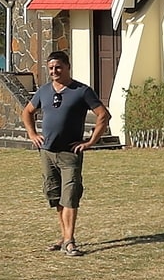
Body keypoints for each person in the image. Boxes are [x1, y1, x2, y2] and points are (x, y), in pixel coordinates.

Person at [20, 50, 108, 256]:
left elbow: (103, 115)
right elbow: (27, 112)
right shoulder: (43, 91)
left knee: (70, 196)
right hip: (47, 152)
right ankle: (64, 236)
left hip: (70, 154)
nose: (54, 71)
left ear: (68, 67)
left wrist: (90, 142)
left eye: (58, 67)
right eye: (51, 68)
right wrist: (32, 134)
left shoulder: (82, 91)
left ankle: (70, 240)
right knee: (56, 196)